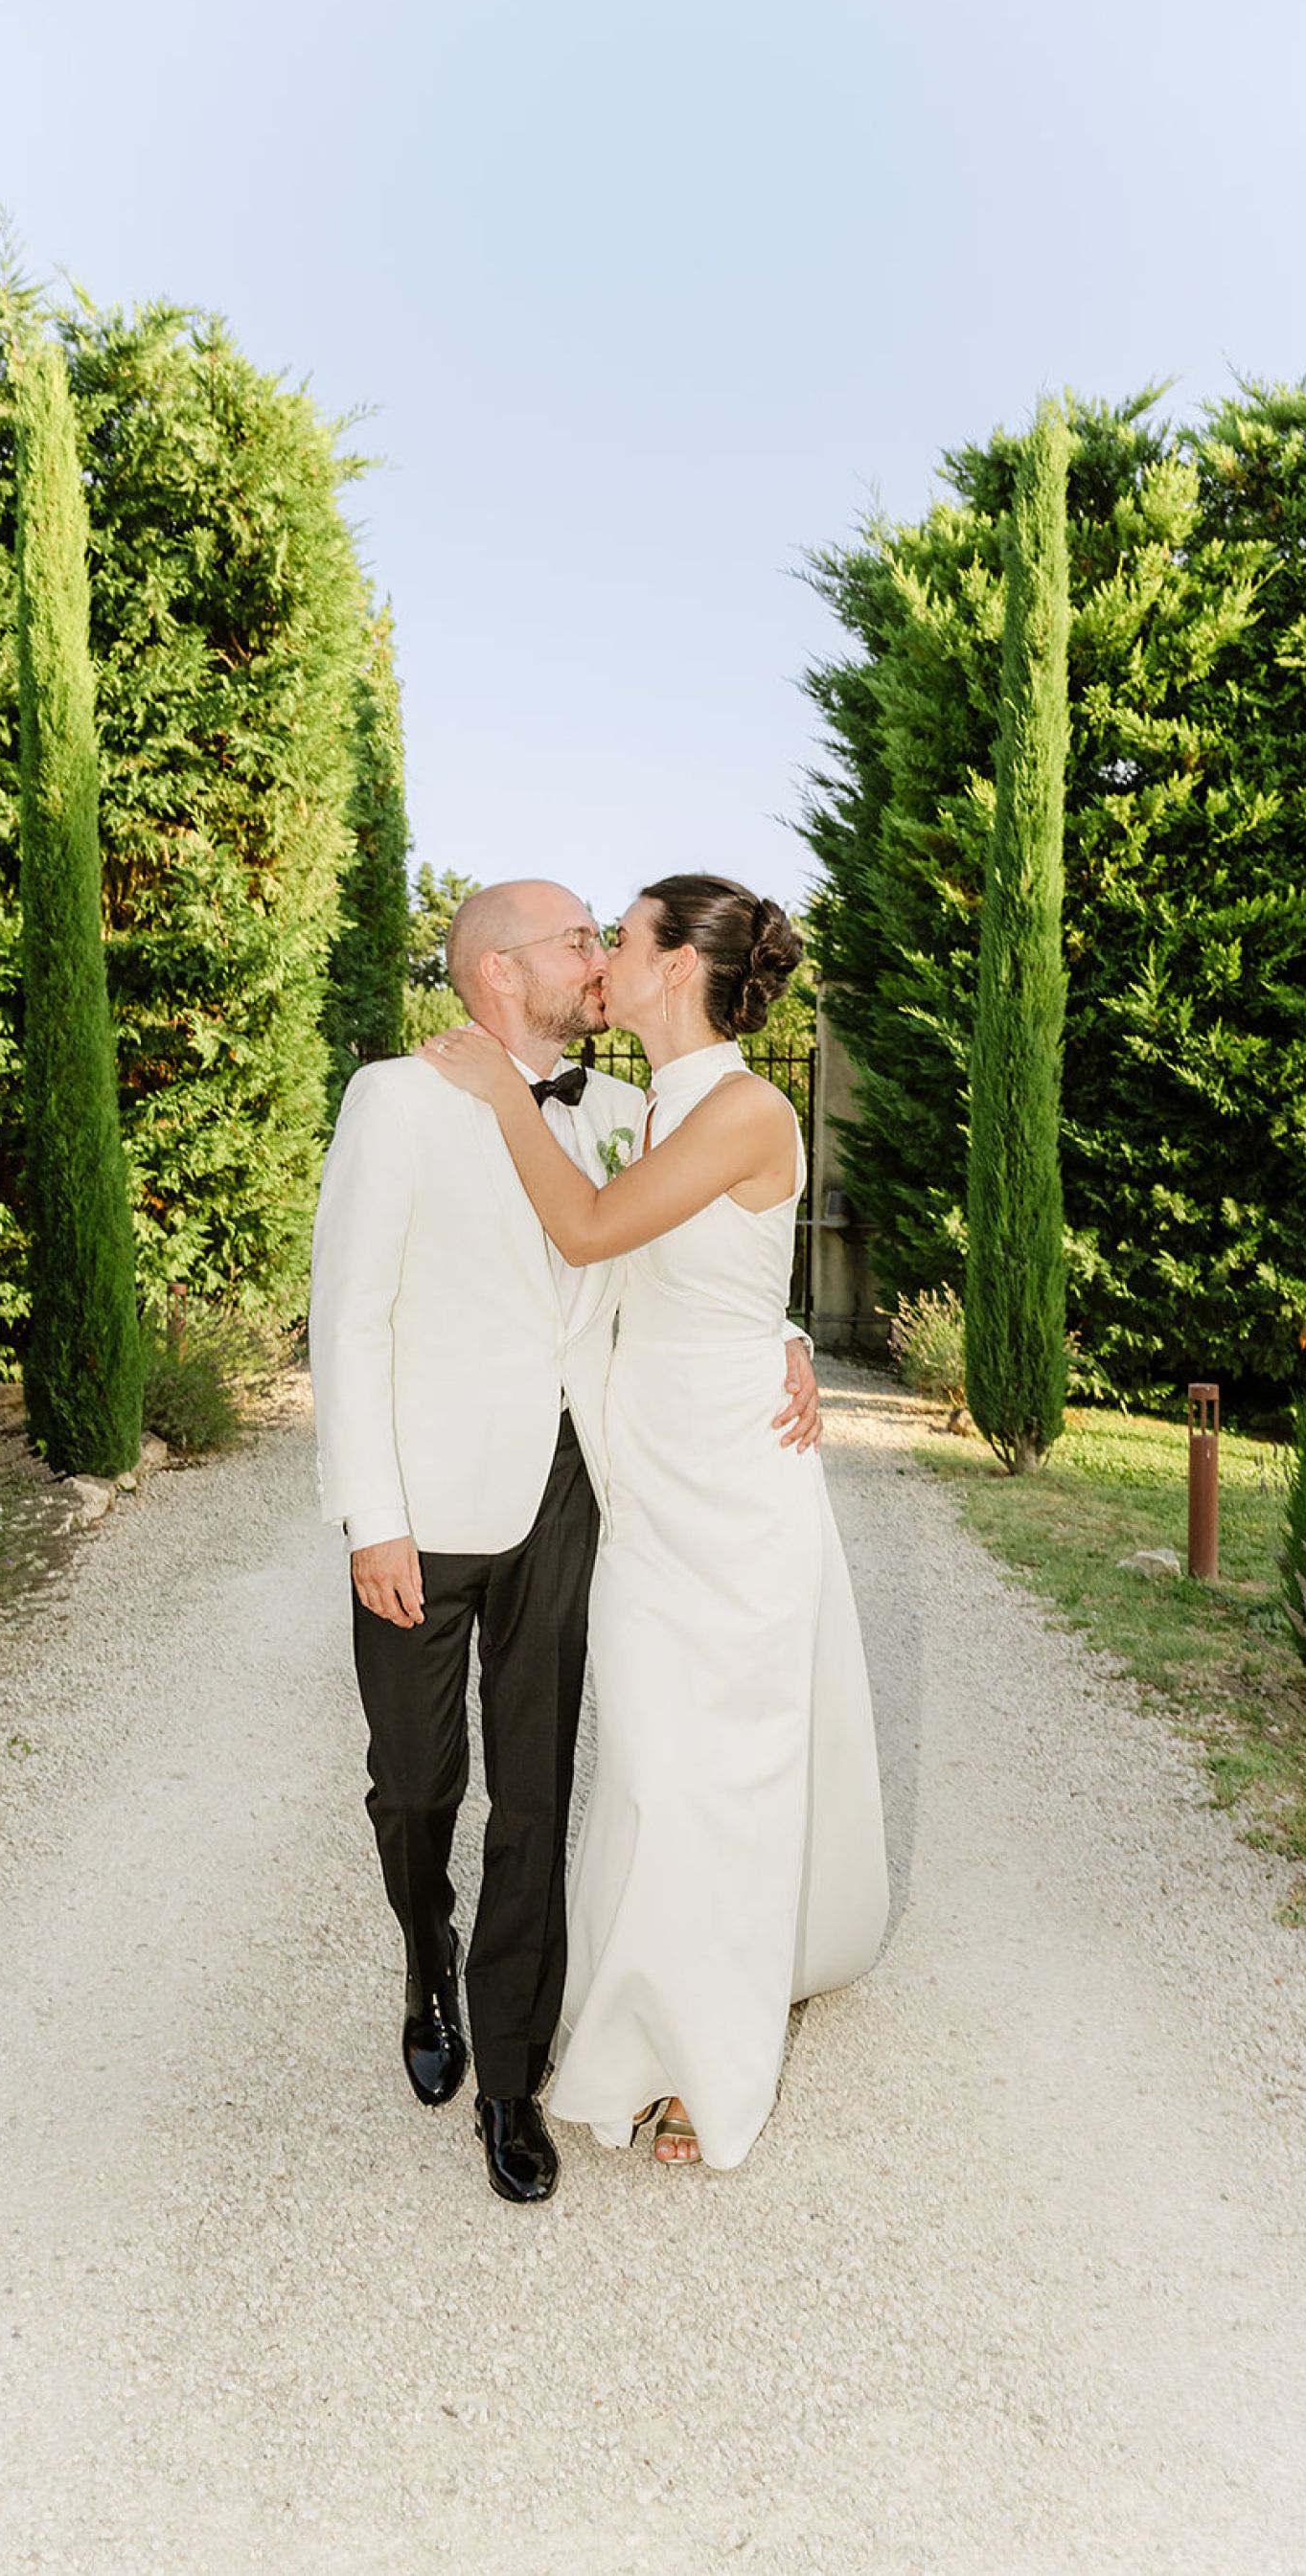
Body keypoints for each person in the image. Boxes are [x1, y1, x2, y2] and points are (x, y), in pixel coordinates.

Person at [309, 878, 823, 2203]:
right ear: (496, 971)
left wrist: (790, 1341)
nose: (597, 962)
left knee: (535, 1797)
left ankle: (512, 2083)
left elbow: (702, 1255)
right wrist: (375, 1517)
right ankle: (426, 1958)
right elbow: (348, 1322)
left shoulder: (620, 1114)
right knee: (418, 1787)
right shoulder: (394, 1099)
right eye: (576, 941)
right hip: (422, 1513)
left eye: (612, 937)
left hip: (579, 1500)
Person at [421, 873, 888, 2171]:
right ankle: (627, 2028)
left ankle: (709, 2058)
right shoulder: (649, 1106)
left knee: (712, 1778)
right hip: (644, 1484)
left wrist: (498, 1090)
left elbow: (586, 1232)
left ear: (677, 966)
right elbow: (697, 1276)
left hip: (731, 1489)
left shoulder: (747, 1105)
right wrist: (789, 1326)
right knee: (643, 1766)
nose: (602, 960)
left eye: (621, 939)